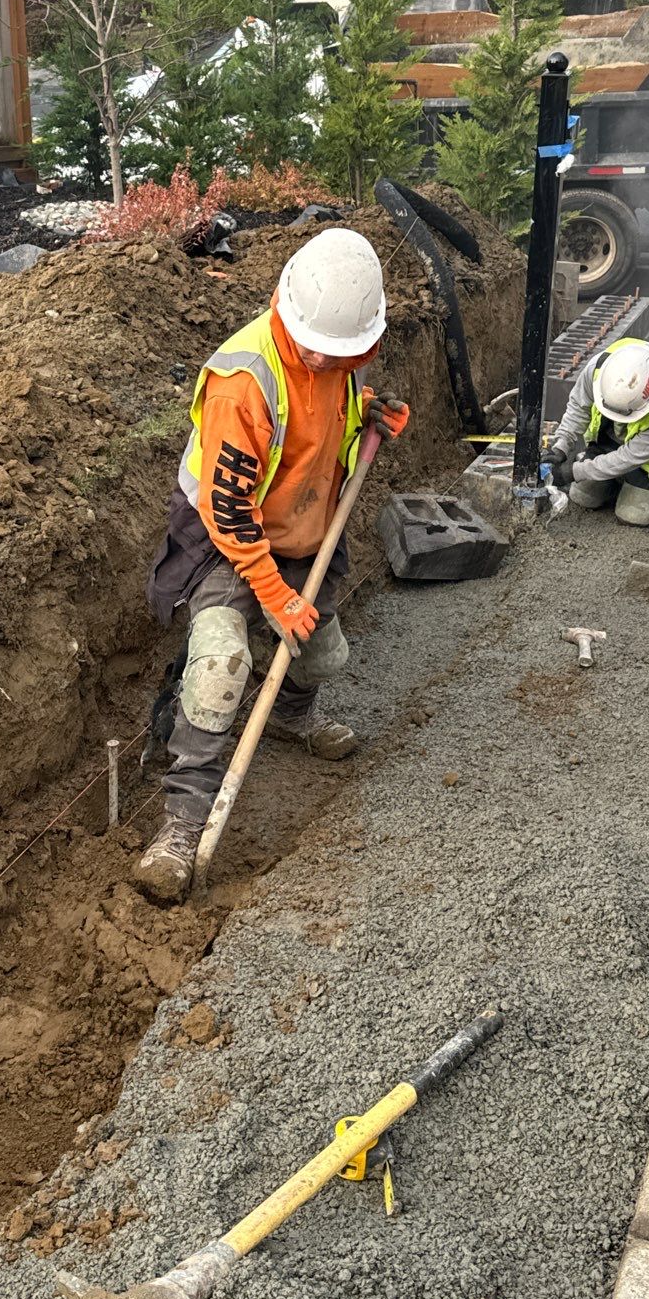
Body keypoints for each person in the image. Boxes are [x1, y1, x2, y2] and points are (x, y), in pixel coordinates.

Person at [136, 227, 410, 903]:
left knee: (322, 655)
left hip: (304, 529)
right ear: (286, 305)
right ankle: (182, 825)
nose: (321, 357)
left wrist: (368, 416)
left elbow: (320, 423)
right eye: (314, 345)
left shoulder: (342, 352)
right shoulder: (243, 382)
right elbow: (229, 510)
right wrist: (273, 594)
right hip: (223, 537)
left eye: (339, 352)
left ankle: (291, 714)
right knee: (221, 670)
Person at [545, 336, 649, 527]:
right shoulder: (600, 366)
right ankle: (614, 481)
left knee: (633, 515)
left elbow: (631, 456)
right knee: (583, 495)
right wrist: (561, 445)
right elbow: (579, 406)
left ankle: (635, 486)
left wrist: (573, 472)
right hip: (612, 439)